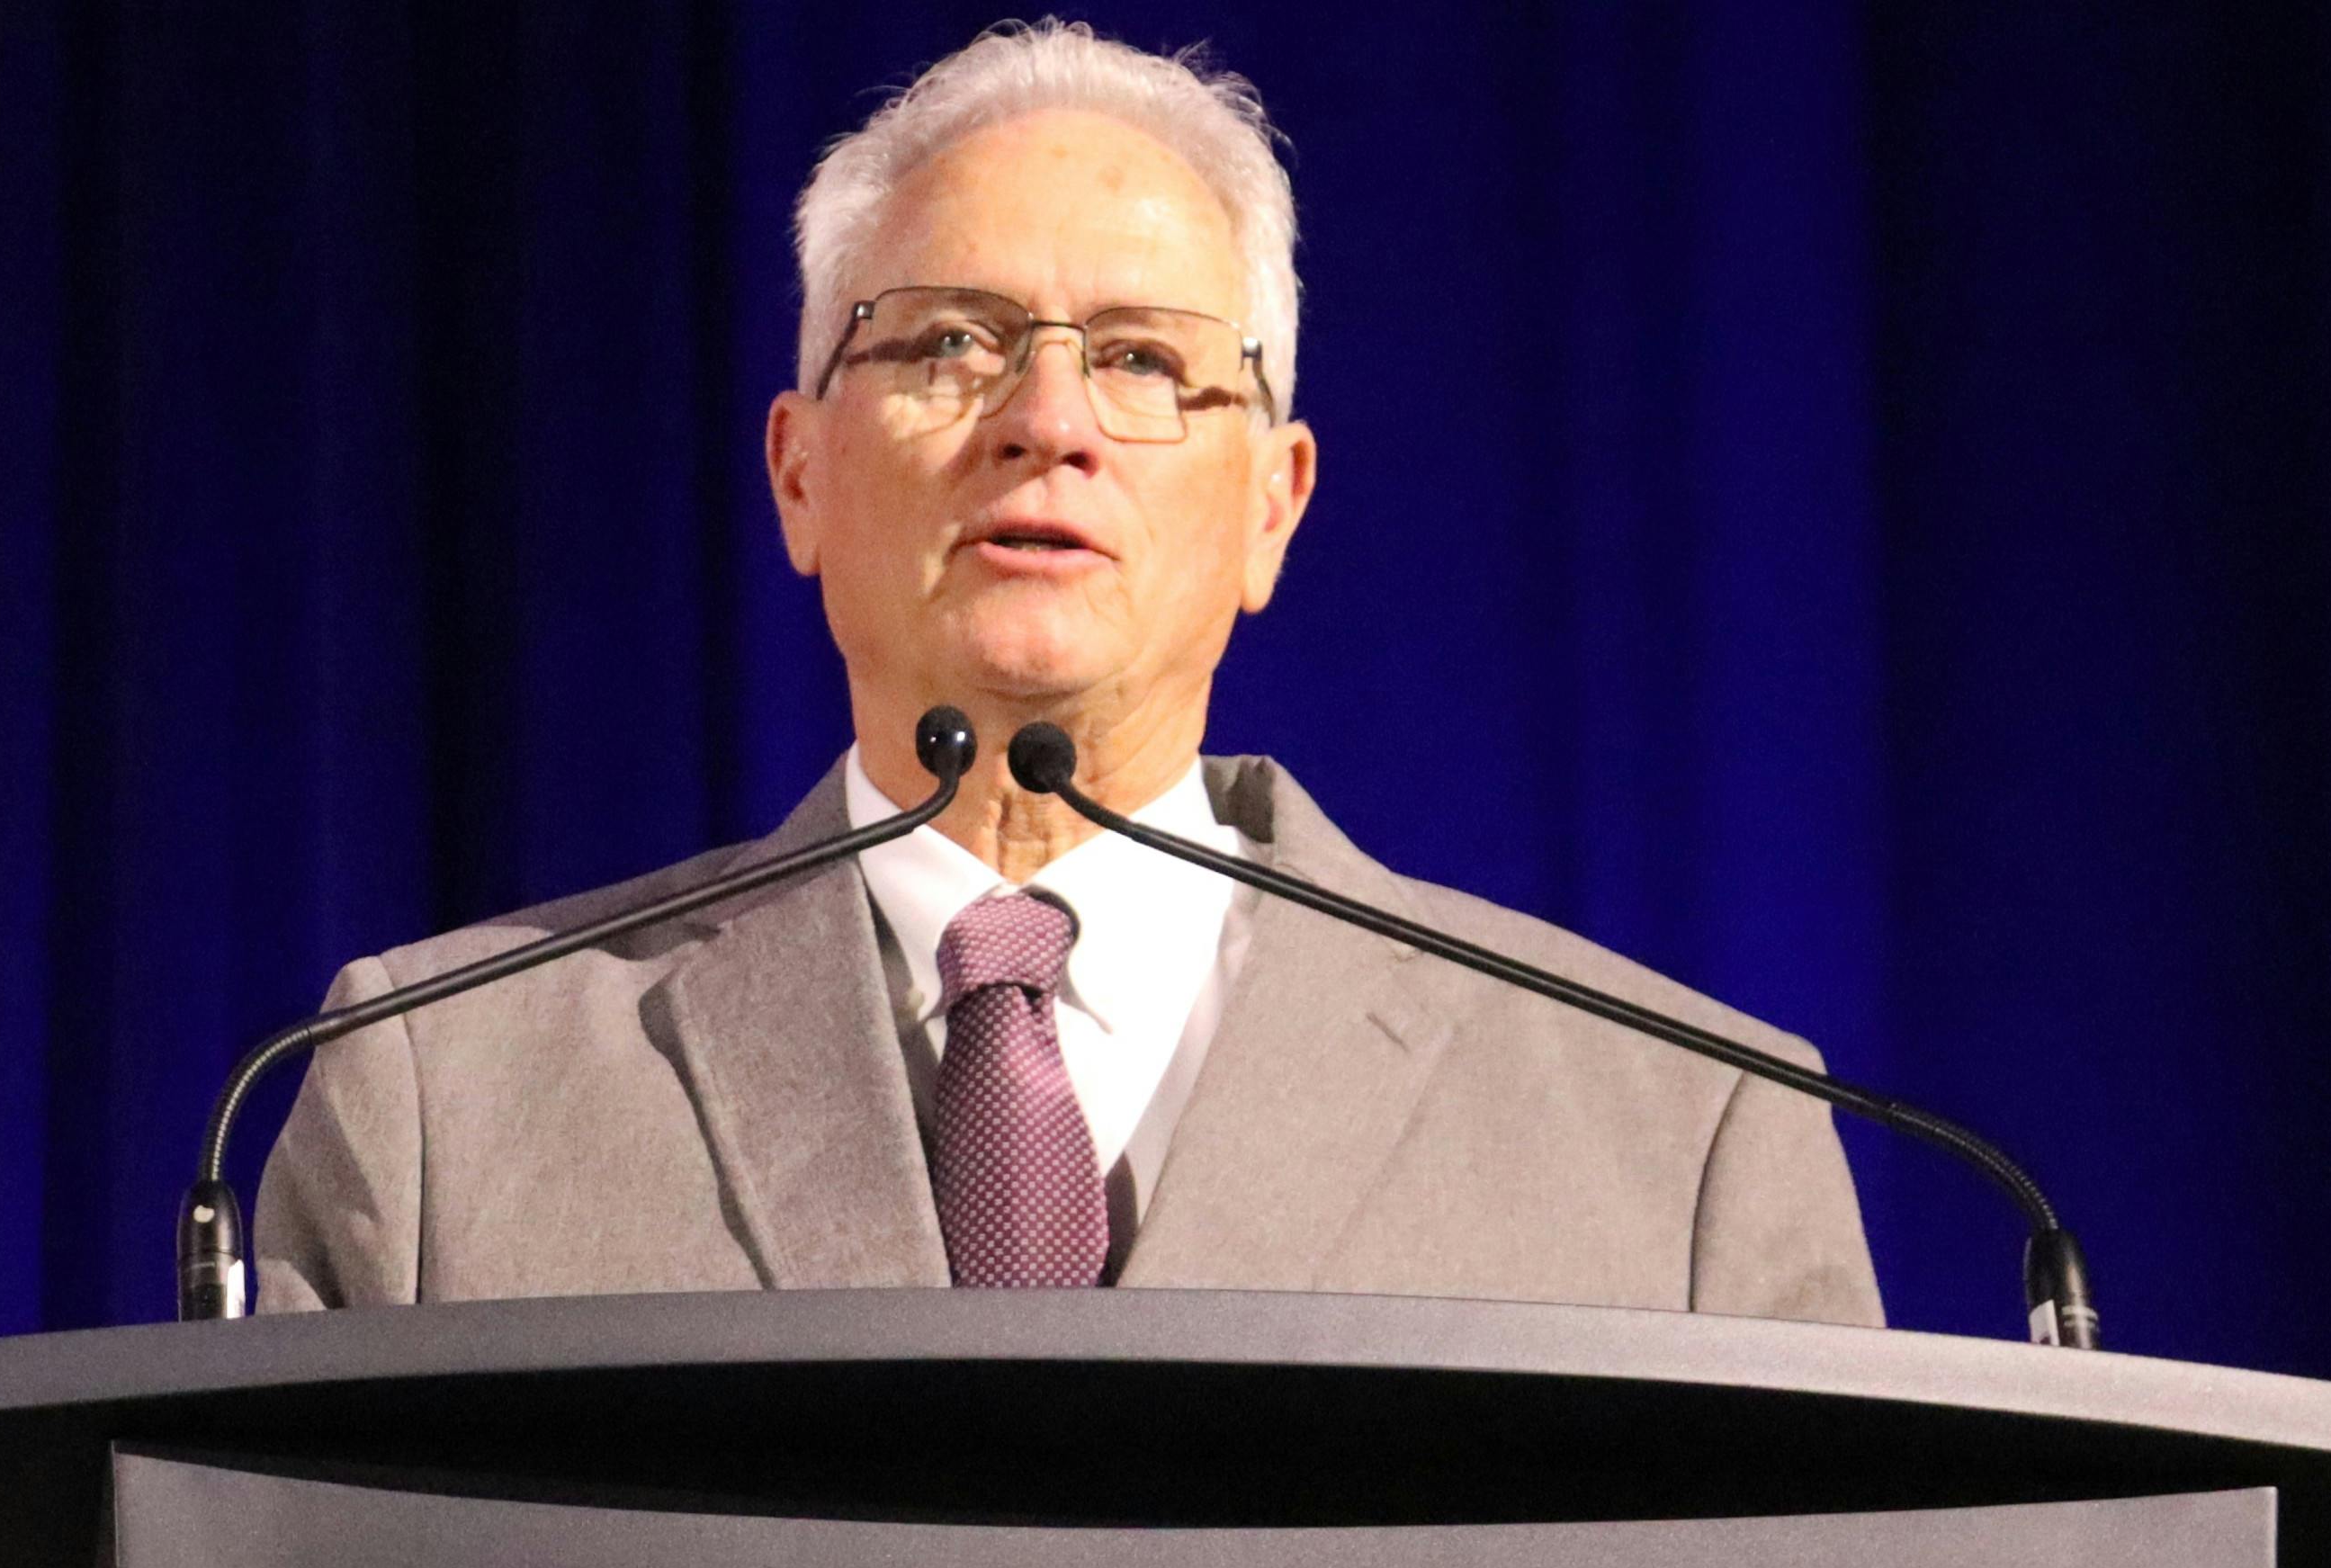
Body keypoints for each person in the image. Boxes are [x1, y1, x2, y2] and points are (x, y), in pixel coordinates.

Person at [255, 21, 1880, 1322]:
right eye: (949, 342)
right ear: (798, 474)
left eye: (1142, 361)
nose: (1047, 421)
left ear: (1272, 503)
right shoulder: (442, 1104)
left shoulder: (1679, 1139)